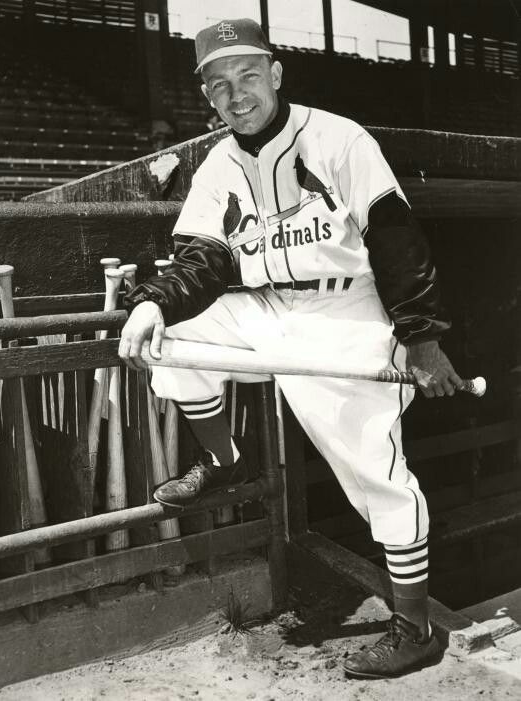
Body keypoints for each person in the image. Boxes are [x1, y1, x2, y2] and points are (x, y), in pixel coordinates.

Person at [119, 18, 463, 679]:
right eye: (219, 84)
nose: (235, 93)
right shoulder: (218, 164)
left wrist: (420, 336)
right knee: (173, 337)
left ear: (276, 74)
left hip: (343, 309)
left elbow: (392, 233)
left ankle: (416, 628)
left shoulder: (339, 138)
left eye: (248, 75)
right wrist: (153, 302)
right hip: (262, 307)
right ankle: (225, 459)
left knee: (378, 476)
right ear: (208, 97)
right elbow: (202, 258)